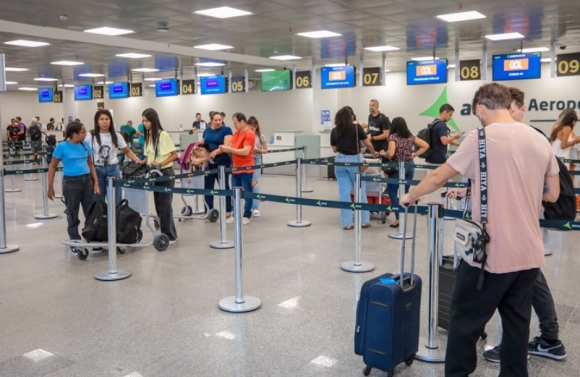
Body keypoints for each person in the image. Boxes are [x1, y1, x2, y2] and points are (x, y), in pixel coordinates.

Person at [400, 83, 560, 377]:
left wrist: (410, 195)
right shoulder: (539, 139)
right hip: (528, 254)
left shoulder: (479, 138)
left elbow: (437, 177)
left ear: (480, 109)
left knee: (464, 324)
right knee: (516, 326)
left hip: (490, 256)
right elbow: (551, 194)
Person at [475, 86, 567, 363]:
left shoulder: (531, 138)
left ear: (520, 109)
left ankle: (520, 344)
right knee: (532, 282)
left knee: (515, 290)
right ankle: (550, 338)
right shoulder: (514, 137)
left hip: (520, 226)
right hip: (517, 227)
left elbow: (547, 189)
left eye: (509, 109)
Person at [47, 121, 99, 256]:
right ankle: (75, 240)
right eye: (83, 132)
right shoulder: (62, 147)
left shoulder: (85, 145)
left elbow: (91, 165)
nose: (85, 134)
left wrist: (96, 182)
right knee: (72, 212)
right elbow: (52, 167)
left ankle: (92, 237)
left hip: (87, 181)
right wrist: (50, 186)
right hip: (71, 183)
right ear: (74, 134)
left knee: (91, 210)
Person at [331, 106, 378, 230]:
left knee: (344, 192)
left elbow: (334, 149)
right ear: (351, 116)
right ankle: (364, 221)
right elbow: (367, 143)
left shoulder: (335, 130)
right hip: (355, 161)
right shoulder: (357, 128)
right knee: (360, 191)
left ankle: (347, 223)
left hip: (340, 161)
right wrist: (373, 152)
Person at [380, 117, 428, 228]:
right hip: (410, 165)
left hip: (398, 166)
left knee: (392, 191)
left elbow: (391, 153)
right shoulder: (411, 137)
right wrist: (414, 155)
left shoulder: (393, 137)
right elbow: (426, 145)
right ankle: (404, 215)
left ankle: (398, 218)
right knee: (404, 194)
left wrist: (383, 153)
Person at [85, 110, 141, 205]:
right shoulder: (90, 135)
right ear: (97, 121)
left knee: (116, 198)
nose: (104, 121)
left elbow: (127, 150)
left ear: (110, 120)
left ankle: (116, 217)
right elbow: (85, 152)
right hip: (96, 169)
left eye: (107, 119)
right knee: (98, 198)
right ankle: (101, 218)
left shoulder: (117, 135)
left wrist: (137, 159)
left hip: (113, 169)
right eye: (101, 119)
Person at [142, 108, 178, 244]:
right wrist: (142, 162)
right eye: (143, 121)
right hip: (153, 174)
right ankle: (167, 232)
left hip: (165, 173)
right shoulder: (148, 135)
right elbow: (149, 156)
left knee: (165, 205)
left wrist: (160, 164)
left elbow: (174, 155)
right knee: (158, 205)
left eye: (147, 121)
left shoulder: (163, 135)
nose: (145, 123)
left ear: (153, 120)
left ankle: (169, 235)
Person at [221, 113, 255, 225]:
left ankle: (246, 215)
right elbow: (231, 145)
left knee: (247, 193)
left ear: (242, 122)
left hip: (246, 168)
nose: (234, 125)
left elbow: (245, 151)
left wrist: (230, 150)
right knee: (234, 193)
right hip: (235, 168)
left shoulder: (249, 134)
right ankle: (235, 214)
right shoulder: (236, 133)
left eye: (236, 123)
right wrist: (226, 147)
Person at [200, 112, 233, 217]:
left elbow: (227, 145)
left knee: (224, 186)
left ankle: (228, 210)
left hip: (222, 162)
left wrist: (215, 152)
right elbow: (202, 143)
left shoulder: (227, 130)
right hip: (209, 163)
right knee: (208, 187)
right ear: (211, 121)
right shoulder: (206, 131)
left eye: (220, 120)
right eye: (216, 120)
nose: (218, 122)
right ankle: (208, 210)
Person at [247, 116, 268, 217]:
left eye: (253, 128)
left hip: (256, 160)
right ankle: (248, 205)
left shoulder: (261, 136)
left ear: (256, 127)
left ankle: (255, 207)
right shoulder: (245, 135)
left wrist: (257, 150)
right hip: (246, 161)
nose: (251, 130)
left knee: (255, 183)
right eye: (249, 128)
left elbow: (265, 150)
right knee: (247, 183)